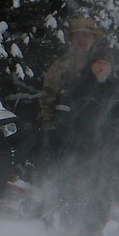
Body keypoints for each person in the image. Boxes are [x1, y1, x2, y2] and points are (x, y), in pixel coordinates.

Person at [47, 46, 119, 236]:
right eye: (98, 63)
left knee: (100, 192)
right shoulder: (77, 85)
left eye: (105, 64)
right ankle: (69, 232)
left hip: (104, 153)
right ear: (91, 65)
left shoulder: (118, 91)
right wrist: (67, 142)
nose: (101, 67)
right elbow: (62, 117)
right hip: (77, 151)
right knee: (73, 189)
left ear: (111, 67)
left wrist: (114, 143)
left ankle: (94, 232)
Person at [38, 15, 102, 154]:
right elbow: (48, 97)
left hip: (97, 132)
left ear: (93, 39)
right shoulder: (60, 66)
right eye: (78, 36)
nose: (82, 40)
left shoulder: (103, 66)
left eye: (86, 36)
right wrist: (49, 127)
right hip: (65, 133)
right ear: (72, 39)